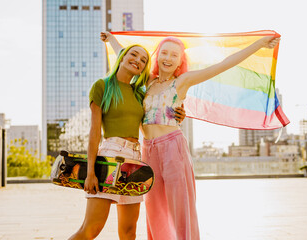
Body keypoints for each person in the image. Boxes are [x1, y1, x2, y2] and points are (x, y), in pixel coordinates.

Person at [102, 32, 280, 240]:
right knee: (155, 208)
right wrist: (111, 39)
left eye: (174, 55)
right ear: (157, 56)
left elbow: (222, 65)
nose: (168, 58)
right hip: (148, 150)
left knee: (180, 209)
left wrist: (258, 44)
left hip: (172, 148)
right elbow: (124, 56)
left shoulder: (182, 81)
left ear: (180, 61)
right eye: (164, 53)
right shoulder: (147, 81)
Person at [69, 43, 185, 240]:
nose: (138, 61)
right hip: (109, 157)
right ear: (121, 57)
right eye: (133, 55)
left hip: (134, 161)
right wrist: (90, 172)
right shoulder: (102, 86)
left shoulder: (139, 93)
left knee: (129, 232)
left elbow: (156, 111)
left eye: (143, 60)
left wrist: (178, 114)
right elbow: (94, 133)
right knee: (91, 229)